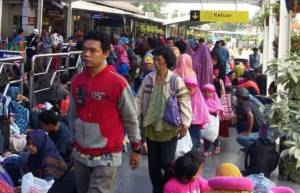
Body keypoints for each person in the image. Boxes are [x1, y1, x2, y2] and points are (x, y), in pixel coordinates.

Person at [68, 31, 142, 193]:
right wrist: (74, 138)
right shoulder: (77, 81)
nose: (87, 54)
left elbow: (131, 118)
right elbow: (72, 113)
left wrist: (136, 148)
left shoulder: (118, 82)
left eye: (93, 50)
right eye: (84, 50)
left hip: (107, 157)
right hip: (80, 153)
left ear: (106, 53)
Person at [135, 46, 192, 193]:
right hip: (151, 128)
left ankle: (166, 187)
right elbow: (139, 100)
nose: (155, 62)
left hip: (169, 128)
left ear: (167, 61)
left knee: (166, 162)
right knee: (153, 165)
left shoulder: (175, 81)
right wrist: (132, 118)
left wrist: (186, 123)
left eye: (158, 59)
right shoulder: (149, 79)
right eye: (154, 59)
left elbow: (185, 102)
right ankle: (158, 189)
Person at [184, 77, 210, 151]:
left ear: (195, 89)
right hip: (185, 124)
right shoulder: (183, 98)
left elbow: (202, 112)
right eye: (185, 89)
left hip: (194, 125)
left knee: (194, 142)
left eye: (190, 89)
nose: (187, 91)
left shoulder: (198, 100)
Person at [202, 84, 224, 156]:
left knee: (214, 133)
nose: (208, 94)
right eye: (206, 92)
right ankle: (207, 149)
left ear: (213, 92)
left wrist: (217, 112)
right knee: (206, 134)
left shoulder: (216, 99)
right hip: (206, 119)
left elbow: (219, 108)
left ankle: (217, 145)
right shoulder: (203, 99)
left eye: (210, 92)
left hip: (213, 119)